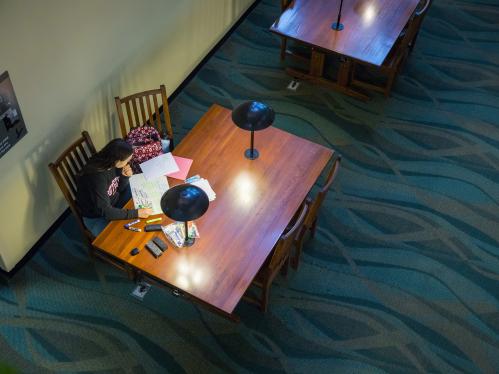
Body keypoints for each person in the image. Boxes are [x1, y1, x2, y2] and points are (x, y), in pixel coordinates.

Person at [76, 138, 152, 236]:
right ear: (117, 161)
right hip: (97, 216)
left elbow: (118, 188)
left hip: (113, 200)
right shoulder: (96, 177)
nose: (128, 163)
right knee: (123, 238)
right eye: (127, 161)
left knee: (142, 195)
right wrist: (136, 213)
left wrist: (124, 177)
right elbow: (106, 212)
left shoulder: (112, 163)